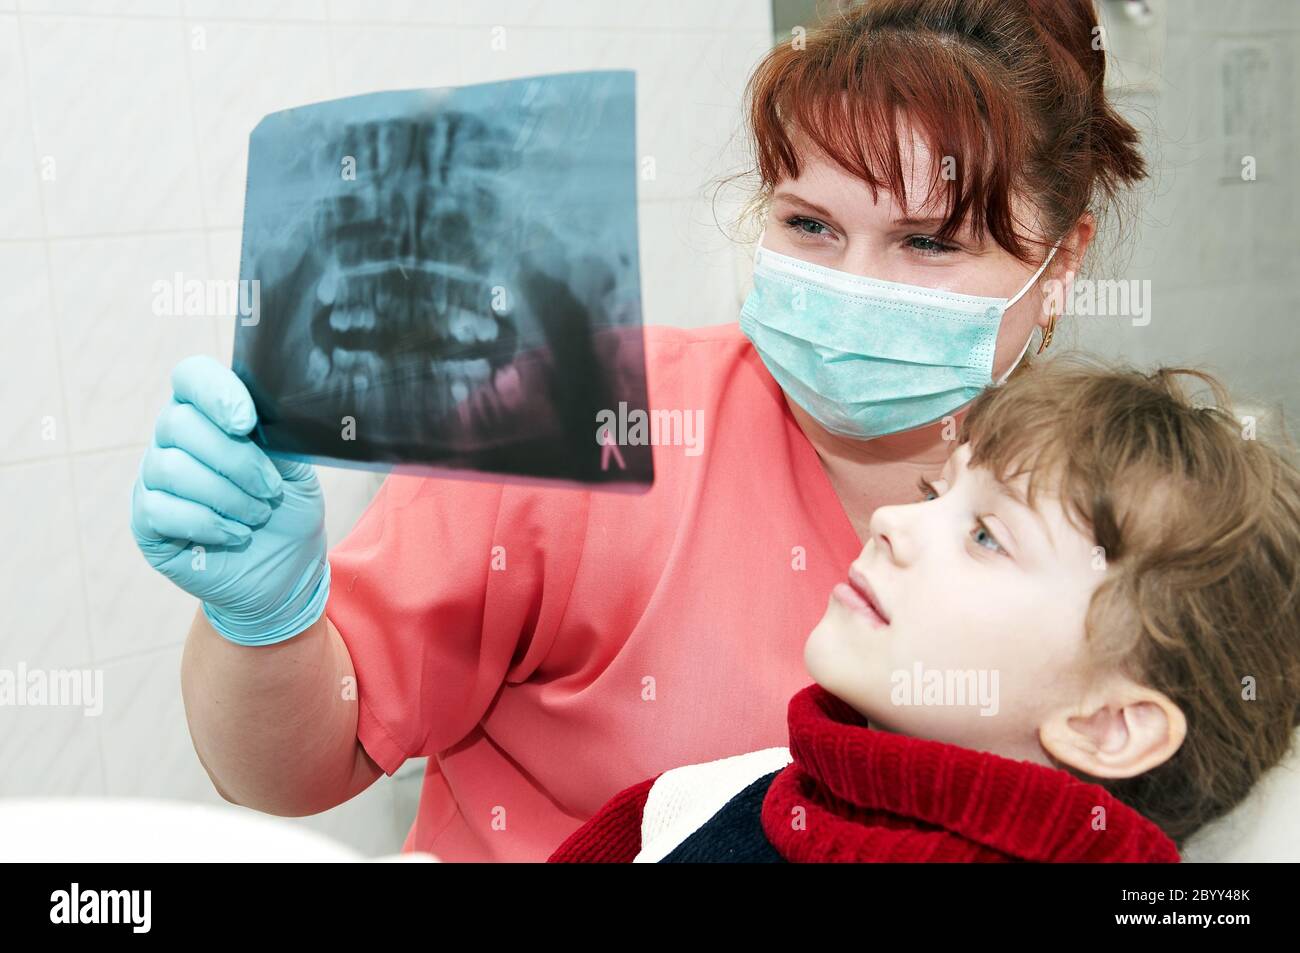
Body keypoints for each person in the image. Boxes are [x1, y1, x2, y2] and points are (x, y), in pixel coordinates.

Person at [131, 0, 1153, 861]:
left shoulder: (1112, 515)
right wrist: (262, 622)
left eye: (928, 240)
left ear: (1059, 263)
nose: (851, 288)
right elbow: (293, 764)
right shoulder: (586, 413)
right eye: (809, 225)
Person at [548, 358, 1300, 862]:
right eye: (935, 494)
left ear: (1107, 724)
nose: (892, 524)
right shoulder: (700, 801)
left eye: (985, 536)